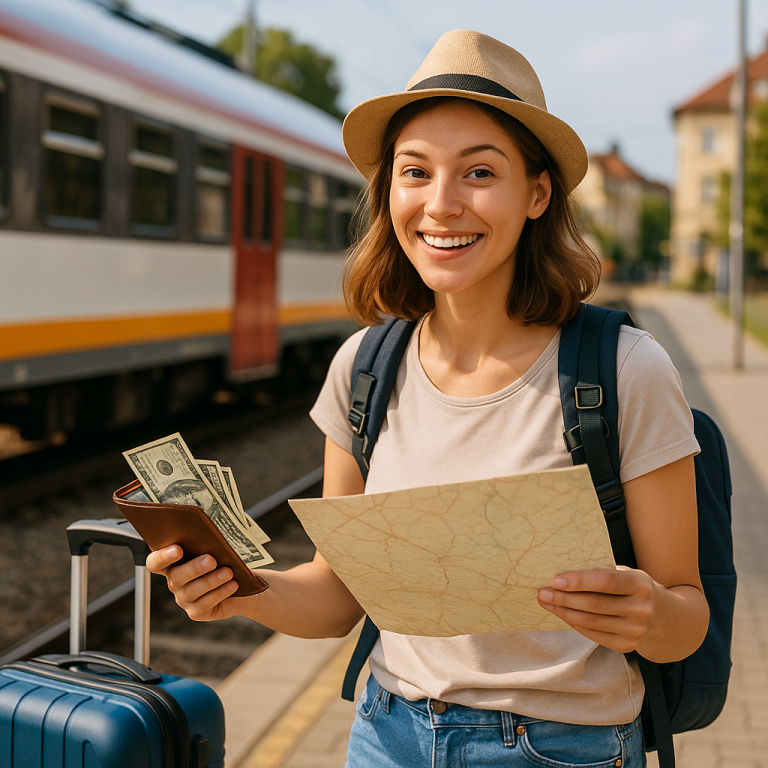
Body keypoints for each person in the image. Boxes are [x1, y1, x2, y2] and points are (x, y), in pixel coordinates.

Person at [147, 30, 708, 767]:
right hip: (386, 734)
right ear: (390, 192)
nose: (441, 205)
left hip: (564, 747)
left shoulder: (625, 369)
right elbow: (336, 596)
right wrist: (241, 591)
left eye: (479, 172)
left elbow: (686, 616)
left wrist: (647, 613)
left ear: (537, 194)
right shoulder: (363, 368)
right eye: (415, 172)